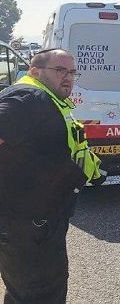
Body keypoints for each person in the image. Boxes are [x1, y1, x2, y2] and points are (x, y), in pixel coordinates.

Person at [0, 49, 104, 303]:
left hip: (35, 222)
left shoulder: (47, 98)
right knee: (40, 294)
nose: (68, 77)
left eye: (72, 72)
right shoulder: (29, 98)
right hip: (28, 224)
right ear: (35, 71)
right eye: (60, 70)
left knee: (26, 293)